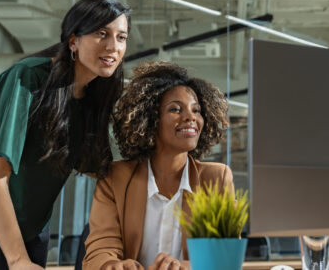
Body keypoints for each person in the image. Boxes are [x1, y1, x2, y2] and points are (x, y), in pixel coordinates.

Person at [0, 0, 131, 270]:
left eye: (121, 37)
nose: (113, 46)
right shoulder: (27, 78)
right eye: (102, 34)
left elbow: (95, 168)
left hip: (31, 224)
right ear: (73, 41)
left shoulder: (96, 94)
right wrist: (18, 259)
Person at [83, 61, 233, 270]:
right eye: (175, 109)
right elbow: (100, 250)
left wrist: (186, 267)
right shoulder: (115, 179)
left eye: (196, 110)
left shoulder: (216, 178)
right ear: (150, 118)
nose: (190, 117)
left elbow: (224, 258)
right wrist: (113, 266)